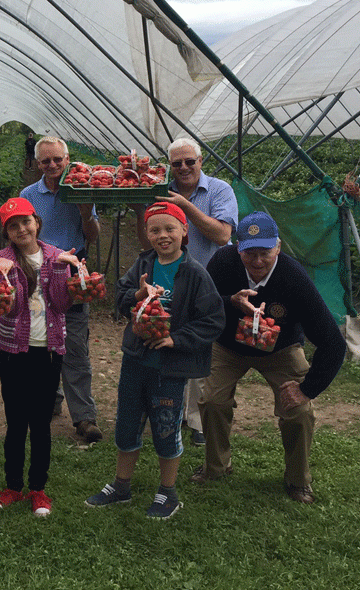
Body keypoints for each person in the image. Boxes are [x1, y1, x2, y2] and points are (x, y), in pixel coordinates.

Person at [195, 211, 346, 503]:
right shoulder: (223, 263)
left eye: (265, 252)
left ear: (278, 247)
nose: (257, 261)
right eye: (249, 253)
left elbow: (333, 343)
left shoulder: (294, 278)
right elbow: (201, 303)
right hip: (228, 347)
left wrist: (307, 389)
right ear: (237, 249)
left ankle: (298, 480)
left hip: (281, 349)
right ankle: (216, 467)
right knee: (212, 400)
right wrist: (229, 303)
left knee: (299, 411)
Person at [85, 202, 222, 519]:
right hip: (136, 359)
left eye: (170, 228)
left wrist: (176, 338)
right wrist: (137, 294)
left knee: (165, 428)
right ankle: (121, 486)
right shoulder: (142, 263)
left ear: (184, 231)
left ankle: (168, 492)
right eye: (155, 229)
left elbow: (213, 319)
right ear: (146, 233)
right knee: (126, 423)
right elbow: (119, 297)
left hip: (169, 368)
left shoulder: (195, 273)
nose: (163, 235)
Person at [135, 136, 238, 446]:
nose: (183, 168)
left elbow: (222, 235)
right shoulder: (159, 190)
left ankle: (200, 421)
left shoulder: (219, 189)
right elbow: (148, 239)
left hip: (212, 281)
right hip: (172, 281)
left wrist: (185, 207)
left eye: (189, 161)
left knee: (205, 348)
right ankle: (173, 413)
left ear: (200, 162)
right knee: (172, 343)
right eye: (176, 163)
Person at [0, 198, 78, 518]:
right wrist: (3, 277)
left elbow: (61, 302)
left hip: (49, 351)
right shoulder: (2, 259)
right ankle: (13, 485)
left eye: (25, 221)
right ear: (7, 233)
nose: (21, 229)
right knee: (16, 422)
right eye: (13, 225)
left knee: (40, 423)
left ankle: (38, 488)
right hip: (15, 352)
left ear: (36, 222)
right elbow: (8, 307)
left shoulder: (56, 254)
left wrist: (61, 267)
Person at [19, 136, 103, 442]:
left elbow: (92, 235)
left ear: (67, 160)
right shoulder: (29, 195)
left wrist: (84, 211)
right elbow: (20, 234)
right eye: (46, 161)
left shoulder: (81, 188)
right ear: (37, 163)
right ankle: (48, 401)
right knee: (40, 340)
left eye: (58, 160)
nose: (52, 166)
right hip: (38, 270)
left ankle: (84, 417)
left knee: (75, 343)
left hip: (71, 270)